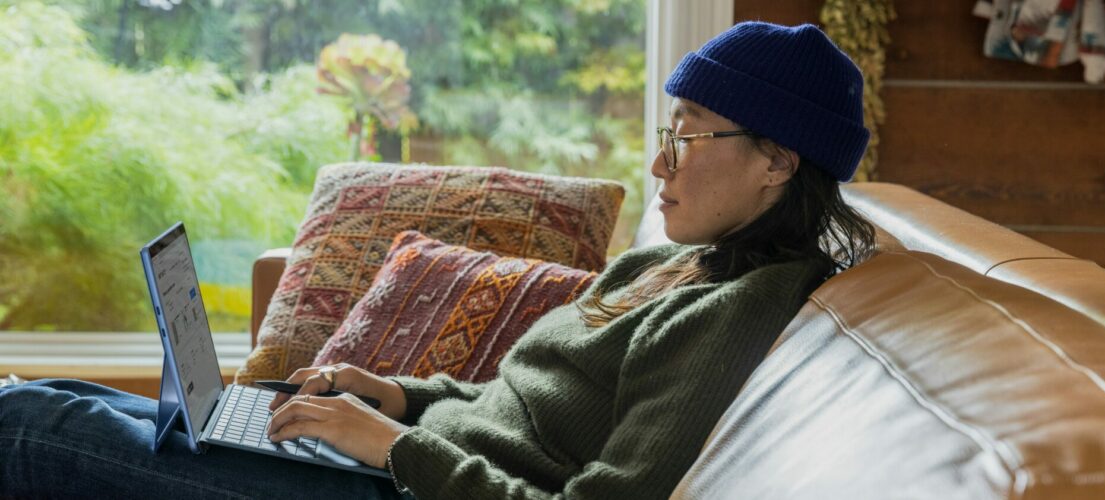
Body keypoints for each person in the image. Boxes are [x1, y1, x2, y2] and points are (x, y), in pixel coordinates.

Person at [0, 21, 876, 499]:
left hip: (406, 490)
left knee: (27, 428)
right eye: (665, 134)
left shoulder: (742, 312)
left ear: (780, 160)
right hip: (403, 457)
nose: (659, 164)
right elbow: (519, 412)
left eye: (687, 136)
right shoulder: (671, 267)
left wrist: (393, 450)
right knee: (58, 397)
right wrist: (399, 397)